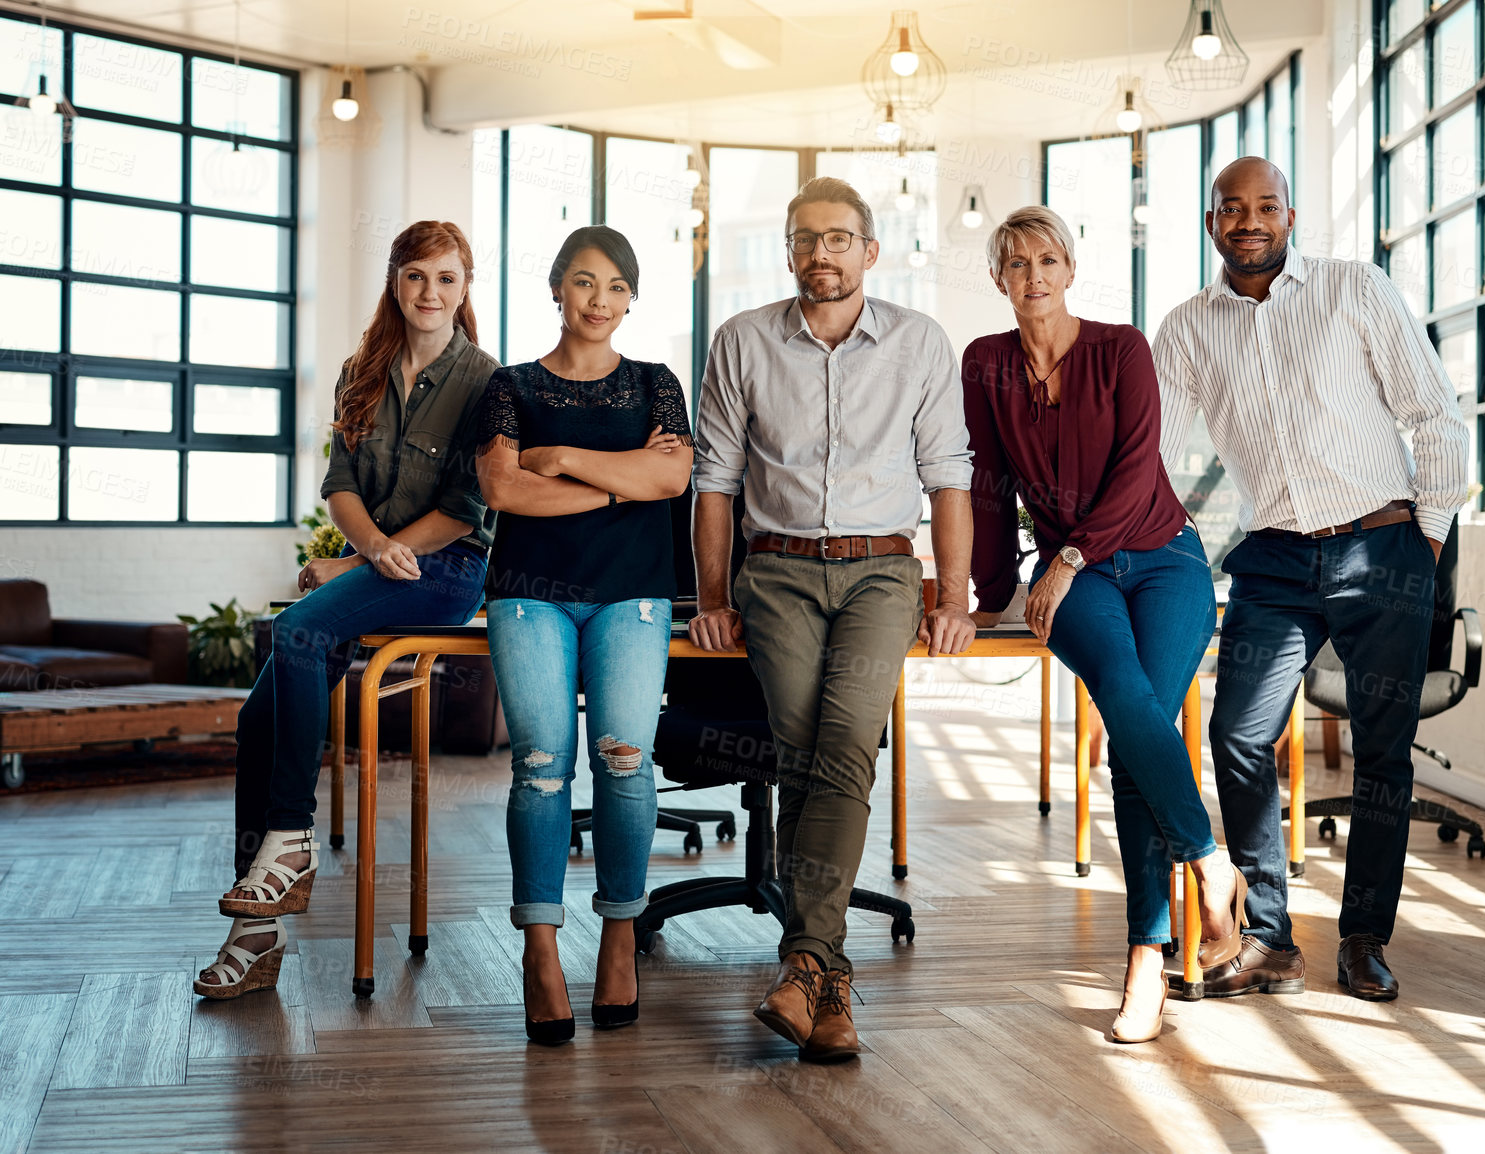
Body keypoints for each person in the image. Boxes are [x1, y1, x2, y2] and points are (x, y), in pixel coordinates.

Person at [1153, 157, 1470, 1002]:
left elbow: (1433, 413)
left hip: (1383, 544)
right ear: (1211, 220)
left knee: (1381, 754)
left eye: (1265, 206)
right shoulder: (1187, 328)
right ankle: (1269, 940)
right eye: (1231, 207)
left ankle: (1365, 938)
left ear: (1290, 215)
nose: (1249, 220)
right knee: (1239, 736)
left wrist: (1424, 543)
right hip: (1275, 560)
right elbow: (1149, 455)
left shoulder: (1353, 290)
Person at [689, 176, 975, 1062]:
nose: (823, 254)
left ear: (870, 250)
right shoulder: (741, 341)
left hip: (883, 573)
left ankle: (803, 961)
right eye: (807, 239)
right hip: (775, 573)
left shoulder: (921, 343)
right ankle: (828, 984)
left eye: (840, 238)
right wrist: (710, 596)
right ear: (788, 251)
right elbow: (715, 482)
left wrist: (954, 593)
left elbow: (948, 474)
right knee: (806, 749)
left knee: (845, 741)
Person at [963, 205, 1246, 1044]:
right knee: (1127, 700)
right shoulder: (985, 364)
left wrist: (1068, 558)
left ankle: (1145, 960)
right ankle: (1209, 863)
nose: (1033, 276)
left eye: (1047, 259)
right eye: (1015, 264)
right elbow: (984, 481)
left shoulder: (1121, 349)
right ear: (998, 279)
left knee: (1136, 736)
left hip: (1162, 558)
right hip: (1073, 577)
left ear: (1070, 268)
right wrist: (988, 590)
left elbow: (1135, 471)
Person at [196, 221, 498, 999]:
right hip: (380, 559)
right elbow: (340, 484)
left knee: (295, 629)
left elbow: (466, 510)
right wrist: (368, 549)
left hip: (447, 569)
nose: (430, 293)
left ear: (466, 288)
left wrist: (383, 555)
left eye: (446, 279)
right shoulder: (360, 370)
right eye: (415, 277)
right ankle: (255, 930)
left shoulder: (485, 381)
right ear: (395, 282)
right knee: (256, 719)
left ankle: (290, 839)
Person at [474, 225, 693, 1044]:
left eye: (615, 287)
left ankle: (620, 941)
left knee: (625, 761)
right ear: (557, 290)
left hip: (631, 596)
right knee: (539, 765)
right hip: (529, 595)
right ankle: (538, 951)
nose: (598, 301)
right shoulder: (510, 385)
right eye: (583, 283)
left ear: (632, 298)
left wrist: (561, 457)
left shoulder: (656, 384)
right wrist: (616, 489)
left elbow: (670, 477)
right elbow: (504, 489)